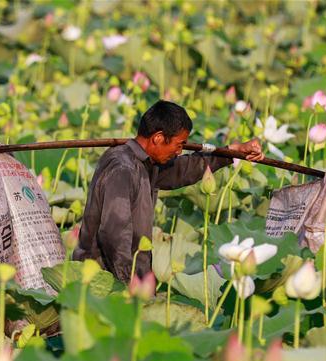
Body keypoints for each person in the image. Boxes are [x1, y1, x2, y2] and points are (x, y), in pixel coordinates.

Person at [72, 100, 263, 283]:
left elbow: (184, 169)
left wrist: (233, 152)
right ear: (158, 138)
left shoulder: (146, 164)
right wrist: (128, 284)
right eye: (179, 144)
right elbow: (114, 234)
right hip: (102, 281)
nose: (180, 151)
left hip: (128, 277)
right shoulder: (123, 168)